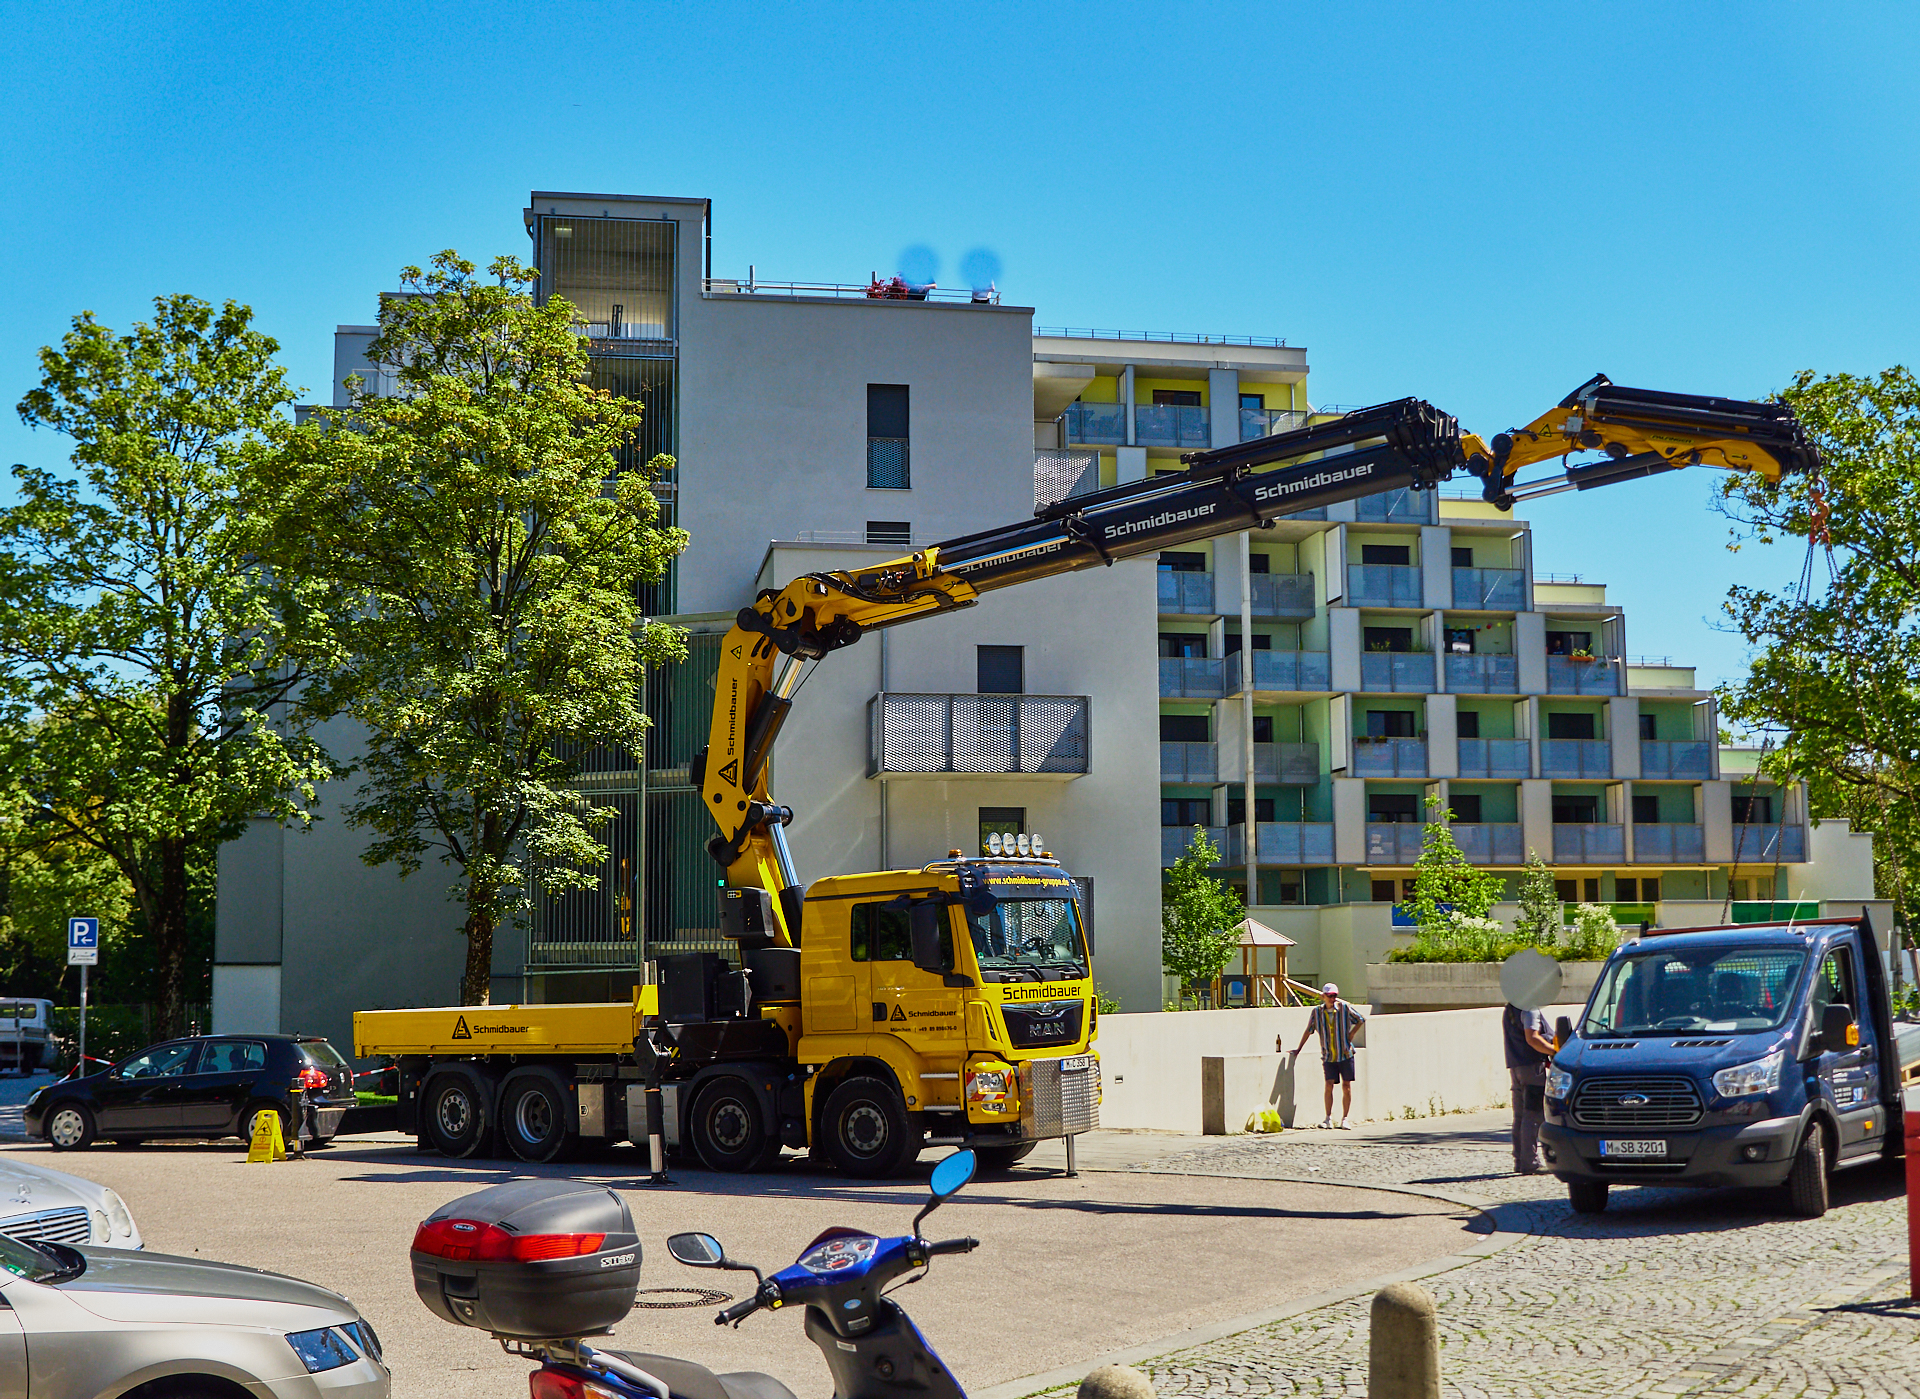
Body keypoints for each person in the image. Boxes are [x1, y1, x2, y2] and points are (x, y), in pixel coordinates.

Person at [1281, 982, 1365, 1129]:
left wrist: (1352, 1033)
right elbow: (1309, 1030)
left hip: (1345, 1053)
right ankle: (1328, 1118)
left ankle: (1345, 1118)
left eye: (1334, 996)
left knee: (1346, 1085)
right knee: (1329, 1085)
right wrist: (1298, 1049)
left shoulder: (1344, 1008)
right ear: (1323, 996)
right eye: (1330, 996)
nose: (1332, 999)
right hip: (1328, 1055)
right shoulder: (1317, 1012)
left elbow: (1360, 1019)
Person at [1504, 999, 1556, 1173]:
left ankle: (1519, 1160)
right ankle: (1530, 1162)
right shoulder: (1530, 1009)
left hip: (1516, 1066)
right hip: (1532, 1067)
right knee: (1532, 1115)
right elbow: (1532, 1038)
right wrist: (1554, 1051)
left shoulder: (1510, 1008)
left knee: (1519, 1116)